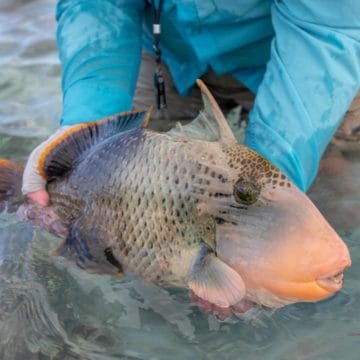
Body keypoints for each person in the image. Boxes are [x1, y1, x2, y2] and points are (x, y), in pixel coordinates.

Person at [22, 0, 360, 206]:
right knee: (123, 186)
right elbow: (98, 4)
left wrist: (266, 185)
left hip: (307, 56)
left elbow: (324, 32)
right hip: (166, 52)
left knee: (330, 191)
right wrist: (86, 128)